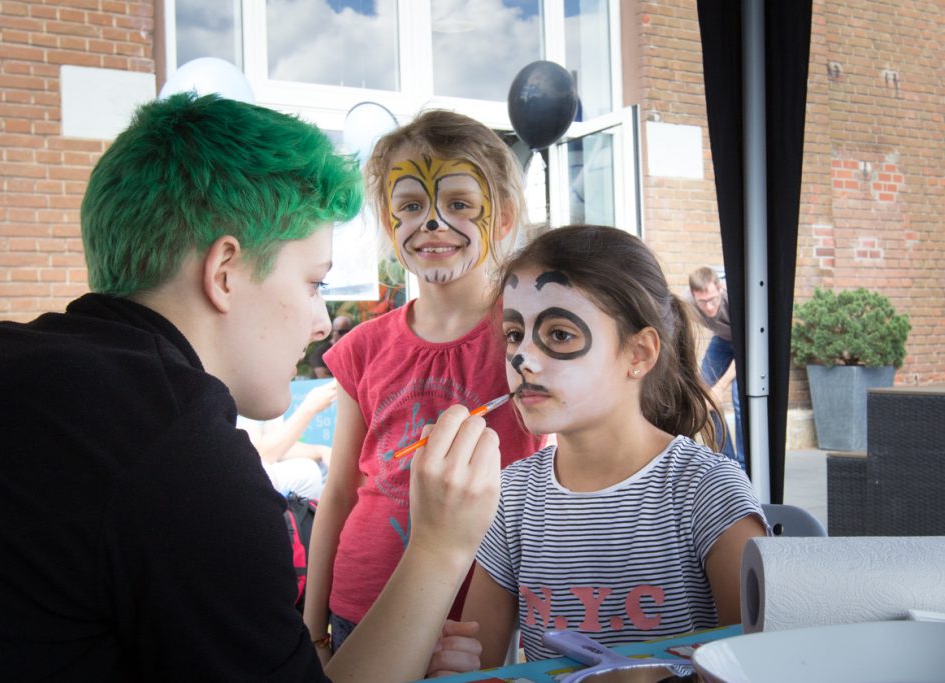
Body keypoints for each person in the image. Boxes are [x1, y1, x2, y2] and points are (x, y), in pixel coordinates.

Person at [0, 92, 504, 683]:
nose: (321, 322)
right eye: (312, 282)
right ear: (224, 271)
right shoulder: (182, 463)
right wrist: (437, 547)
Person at [430, 225, 768, 672]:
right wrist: (458, 668)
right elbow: (487, 666)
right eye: (514, 334)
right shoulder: (510, 498)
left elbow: (761, 664)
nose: (522, 359)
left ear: (639, 354)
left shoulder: (705, 492)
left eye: (560, 335)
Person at [305, 109, 546, 655]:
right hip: (360, 607)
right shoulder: (363, 348)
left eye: (459, 204)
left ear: (503, 218)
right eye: (411, 206)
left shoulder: (526, 340)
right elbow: (339, 491)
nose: (432, 223)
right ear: (391, 226)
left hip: (476, 620)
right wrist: (312, 625)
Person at [238, 379, 339, 499]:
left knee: (325, 466)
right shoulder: (244, 388)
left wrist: (320, 451)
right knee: (308, 471)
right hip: (242, 476)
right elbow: (260, 454)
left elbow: (278, 448)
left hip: (262, 469)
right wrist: (310, 407)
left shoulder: (269, 389)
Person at [688, 266, 745, 470]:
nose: (710, 307)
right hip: (722, 340)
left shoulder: (734, 299)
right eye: (703, 302)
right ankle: (727, 462)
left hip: (747, 342)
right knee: (706, 397)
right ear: (694, 296)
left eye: (713, 299)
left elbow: (746, 349)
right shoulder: (688, 305)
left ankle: (746, 466)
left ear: (720, 289)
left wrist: (720, 387)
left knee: (741, 399)